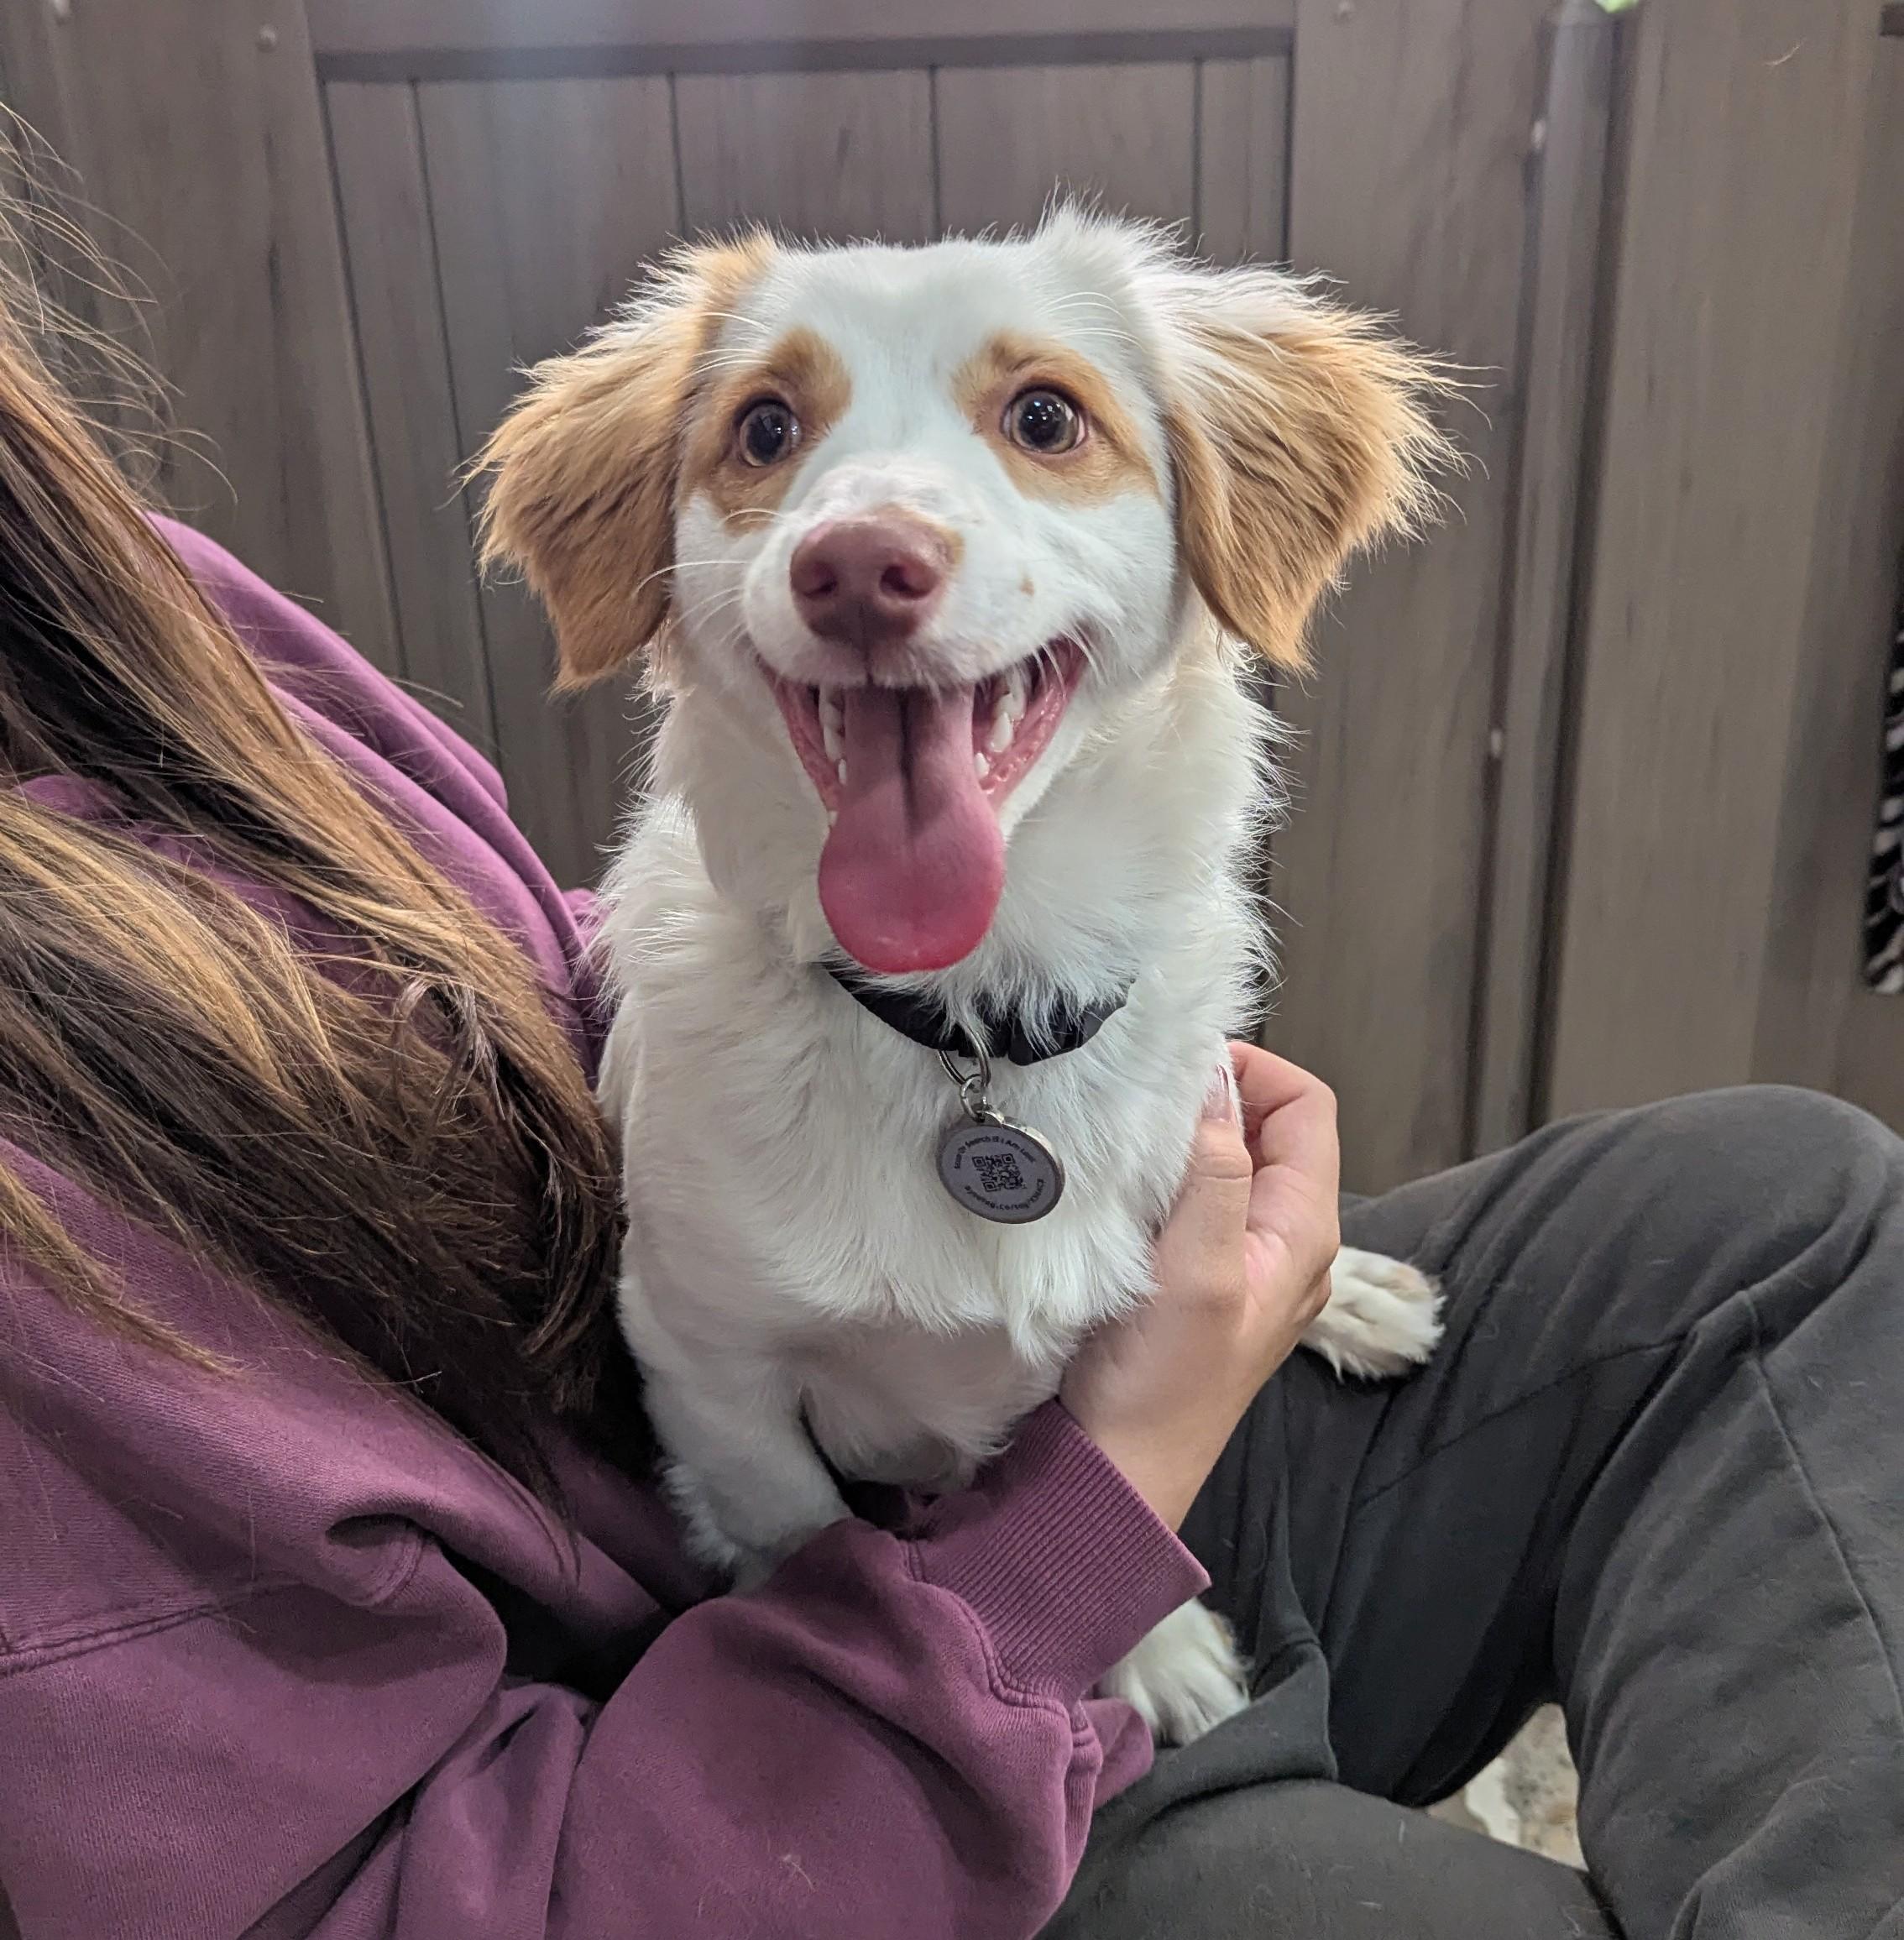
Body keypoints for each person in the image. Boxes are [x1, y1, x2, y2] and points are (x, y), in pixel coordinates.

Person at [0, 275, 1896, 1940]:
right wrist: (1081, 1547)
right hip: (742, 1748)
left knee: (1797, 1209)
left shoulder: (126, 611)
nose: (868, 529)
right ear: (658, 555)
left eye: (1043, 421)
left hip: (1080, 1422)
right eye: (767, 435)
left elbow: (509, 944)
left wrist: (1159, 1275)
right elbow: (704, 1374)